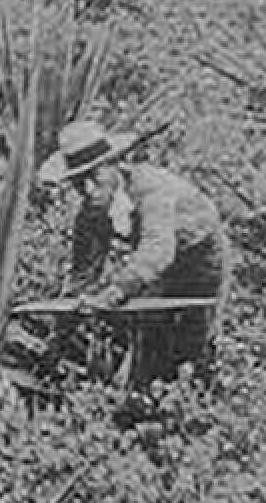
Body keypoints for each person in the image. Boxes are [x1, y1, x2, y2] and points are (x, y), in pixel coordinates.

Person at [37, 118, 230, 387]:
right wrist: (59, 336)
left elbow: (158, 249)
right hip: (160, 270)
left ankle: (203, 398)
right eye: (79, 183)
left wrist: (114, 292)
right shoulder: (90, 215)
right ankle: (144, 400)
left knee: (196, 344)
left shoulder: (152, 191)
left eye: (94, 176)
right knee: (149, 337)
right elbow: (82, 276)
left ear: (114, 165)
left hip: (200, 257)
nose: (88, 189)